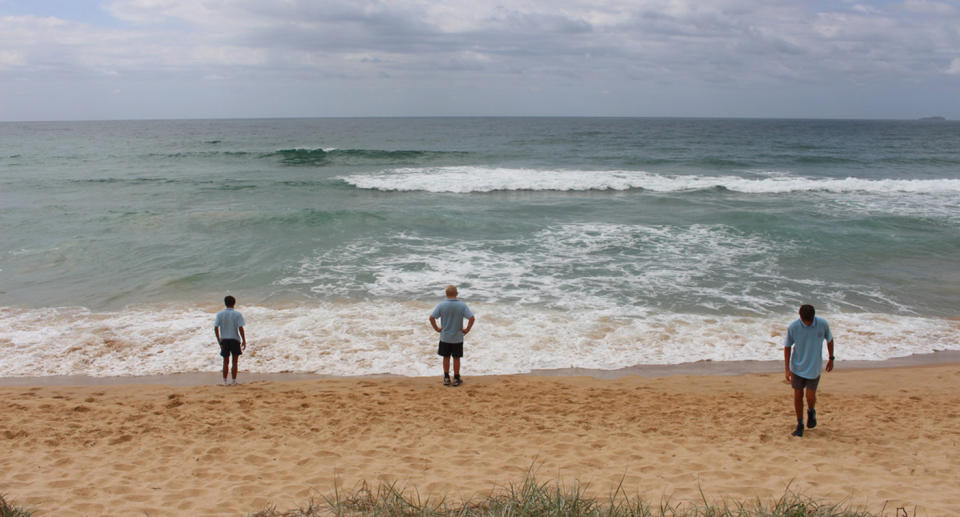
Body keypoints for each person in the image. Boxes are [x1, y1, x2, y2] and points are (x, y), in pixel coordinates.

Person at [783, 304, 835, 437]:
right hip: (797, 368)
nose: (807, 323)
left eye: (810, 321)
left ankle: (811, 411)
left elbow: (829, 339)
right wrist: (787, 369)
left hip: (814, 367)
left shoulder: (822, 324)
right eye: (805, 321)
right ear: (800, 317)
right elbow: (787, 347)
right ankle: (799, 424)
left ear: (813, 316)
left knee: (810, 397)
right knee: (798, 396)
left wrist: (831, 358)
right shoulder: (793, 327)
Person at [429, 285, 475, 386]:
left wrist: (437, 328)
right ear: (457, 294)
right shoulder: (462, 306)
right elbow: (472, 318)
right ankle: (456, 378)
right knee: (456, 358)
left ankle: (446, 378)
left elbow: (432, 318)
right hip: (457, 338)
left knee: (446, 357)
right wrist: (467, 330)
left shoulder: (441, 305)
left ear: (446, 294)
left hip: (445, 337)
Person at [214, 295, 247, 386]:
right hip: (235, 339)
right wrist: (244, 339)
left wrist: (218, 339)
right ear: (234, 303)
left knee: (225, 361)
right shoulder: (237, 314)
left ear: (225, 303)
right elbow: (240, 328)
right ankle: (233, 381)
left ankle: (224, 381)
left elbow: (216, 327)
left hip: (224, 339)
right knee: (235, 362)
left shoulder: (220, 314)